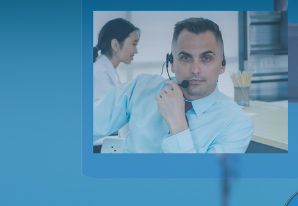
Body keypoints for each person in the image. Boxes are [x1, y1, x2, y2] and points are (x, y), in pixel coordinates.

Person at [92, 17, 253, 154]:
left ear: (222, 64)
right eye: (185, 58)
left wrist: (178, 125)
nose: (195, 69)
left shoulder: (236, 123)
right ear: (172, 64)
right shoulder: (140, 88)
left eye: (206, 58)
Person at [92, 17, 139, 102]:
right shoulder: (100, 73)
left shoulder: (107, 71)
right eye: (133, 44)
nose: (136, 51)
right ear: (115, 44)